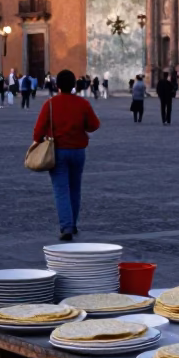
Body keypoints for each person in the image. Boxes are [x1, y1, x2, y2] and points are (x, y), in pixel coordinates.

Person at [32, 68, 100, 242]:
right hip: (78, 151)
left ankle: (66, 227)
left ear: (57, 85)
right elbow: (94, 125)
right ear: (74, 85)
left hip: (58, 151)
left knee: (61, 190)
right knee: (75, 188)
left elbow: (37, 132)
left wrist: (40, 139)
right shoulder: (82, 103)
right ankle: (74, 223)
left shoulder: (51, 104)